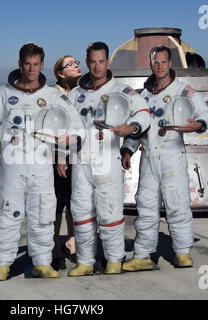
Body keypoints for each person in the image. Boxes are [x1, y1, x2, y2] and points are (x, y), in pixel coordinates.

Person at [0, 43, 84, 281]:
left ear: (42, 65)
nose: (32, 69)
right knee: (5, 213)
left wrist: (71, 139)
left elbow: (74, 122)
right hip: (12, 166)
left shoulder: (52, 96)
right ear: (20, 63)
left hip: (41, 164)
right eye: (27, 64)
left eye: (36, 64)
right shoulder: (3, 94)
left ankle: (42, 262)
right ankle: (1, 264)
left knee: (43, 213)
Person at [121, 45, 208, 272]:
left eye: (163, 62)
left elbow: (205, 113)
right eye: (155, 62)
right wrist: (128, 150)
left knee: (177, 204)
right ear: (150, 65)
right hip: (149, 157)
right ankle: (142, 254)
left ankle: (182, 252)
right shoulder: (144, 96)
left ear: (170, 63)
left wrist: (199, 124)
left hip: (172, 156)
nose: (159, 66)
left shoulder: (185, 91)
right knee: (146, 205)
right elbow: (137, 128)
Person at [67, 42, 151, 276]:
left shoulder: (122, 90)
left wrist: (132, 128)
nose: (97, 66)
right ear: (87, 62)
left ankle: (114, 259)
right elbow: (66, 126)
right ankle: (85, 261)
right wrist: (64, 156)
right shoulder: (76, 94)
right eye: (93, 61)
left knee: (109, 212)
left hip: (108, 160)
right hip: (80, 161)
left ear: (108, 62)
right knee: (81, 213)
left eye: (101, 61)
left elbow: (144, 113)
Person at [51, 55, 82, 270]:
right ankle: (54, 246)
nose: (76, 65)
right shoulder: (53, 96)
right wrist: (60, 156)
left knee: (75, 202)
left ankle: (73, 240)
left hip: (80, 156)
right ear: (60, 73)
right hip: (57, 156)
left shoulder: (82, 94)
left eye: (76, 62)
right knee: (57, 203)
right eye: (69, 64)